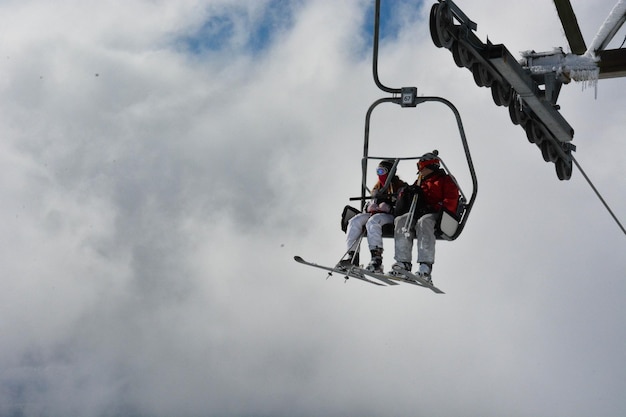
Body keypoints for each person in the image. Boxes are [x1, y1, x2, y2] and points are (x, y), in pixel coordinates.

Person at [389, 151, 459, 282]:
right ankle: (403, 263)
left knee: (424, 222)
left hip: (441, 215)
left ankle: (425, 267)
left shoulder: (446, 180)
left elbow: (451, 200)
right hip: (422, 212)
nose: (419, 171)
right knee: (402, 220)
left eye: (421, 168)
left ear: (430, 167)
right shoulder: (420, 181)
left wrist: (436, 207)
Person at [340, 160, 407, 273]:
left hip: (390, 217)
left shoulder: (400, 187)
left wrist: (390, 208)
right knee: (355, 221)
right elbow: (369, 204)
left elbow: (404, 206)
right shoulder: (377, 188)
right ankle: (352, 257)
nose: (379, 174)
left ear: (390, 172)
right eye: (378, 171)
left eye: (382, 171)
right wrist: (369, 207)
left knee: (373, 221)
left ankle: (376, 259)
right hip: (375, 214)